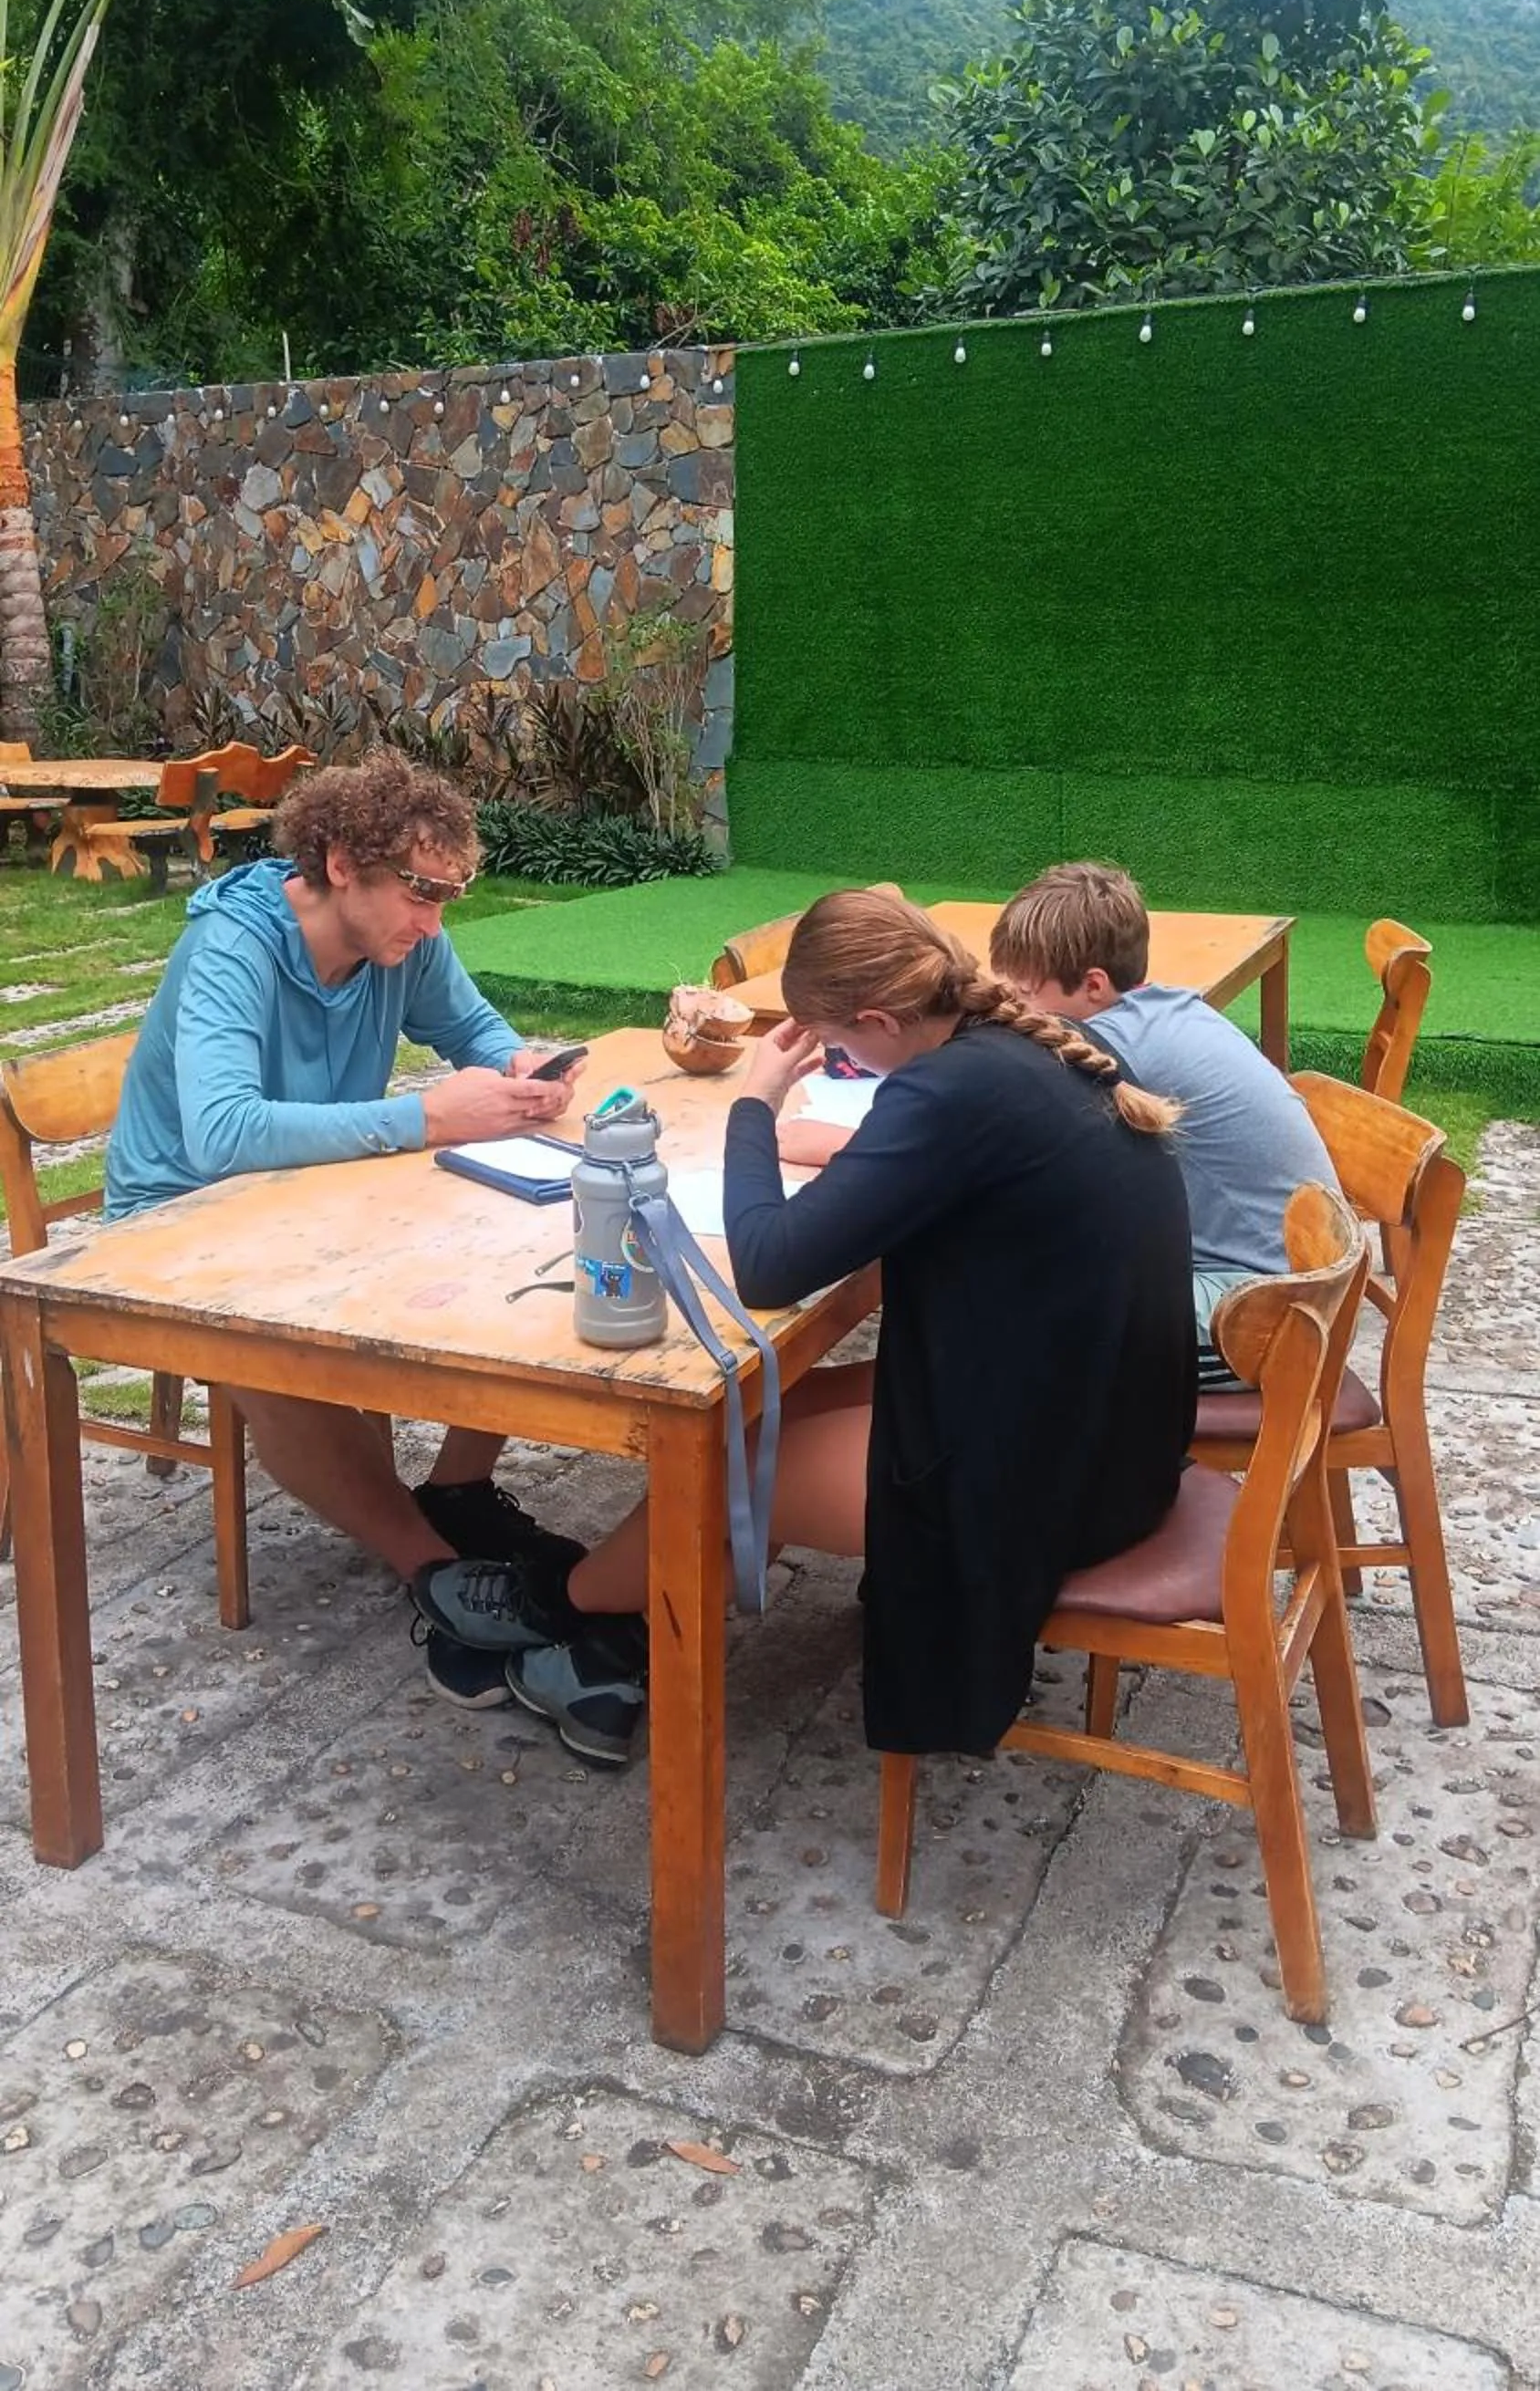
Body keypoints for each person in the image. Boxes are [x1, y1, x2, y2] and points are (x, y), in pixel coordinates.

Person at [414, 889, 1197, 1765]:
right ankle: (633, 1634)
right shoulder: (1016, 1052)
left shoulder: (948, 1092)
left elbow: (770, 1263)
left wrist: (759, 1101)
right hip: (1123, 1435)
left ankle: (560, 1599)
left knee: (730, 1464)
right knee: (779, 1399)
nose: (838, 1059)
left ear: (875, 1018)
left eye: (838, 1044)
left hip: (1053, 1492)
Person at [105, 748, 588, 1699]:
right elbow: (218, 1134)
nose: (433, 919)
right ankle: (436, 1572)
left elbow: (478, 1036)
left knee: (510, 1236)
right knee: (264, 1337)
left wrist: (525, 1070)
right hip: (174, 1218)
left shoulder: (401, 940)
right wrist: (426, 1119)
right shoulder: (231, 948)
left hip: (315, 1193)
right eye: (420, 894)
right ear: (338, 866)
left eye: (446, 896)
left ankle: (455, 1488)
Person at [988, 860, 1339, 1385]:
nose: (1012, 1009)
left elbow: (993, 1140)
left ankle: (1077, 1465)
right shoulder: (1163, 1010)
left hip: (1265, 1319)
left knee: (1010, 1332)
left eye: (1022, 995)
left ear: (1093, 986)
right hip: (1290, 1287)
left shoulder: (1115, 1045)